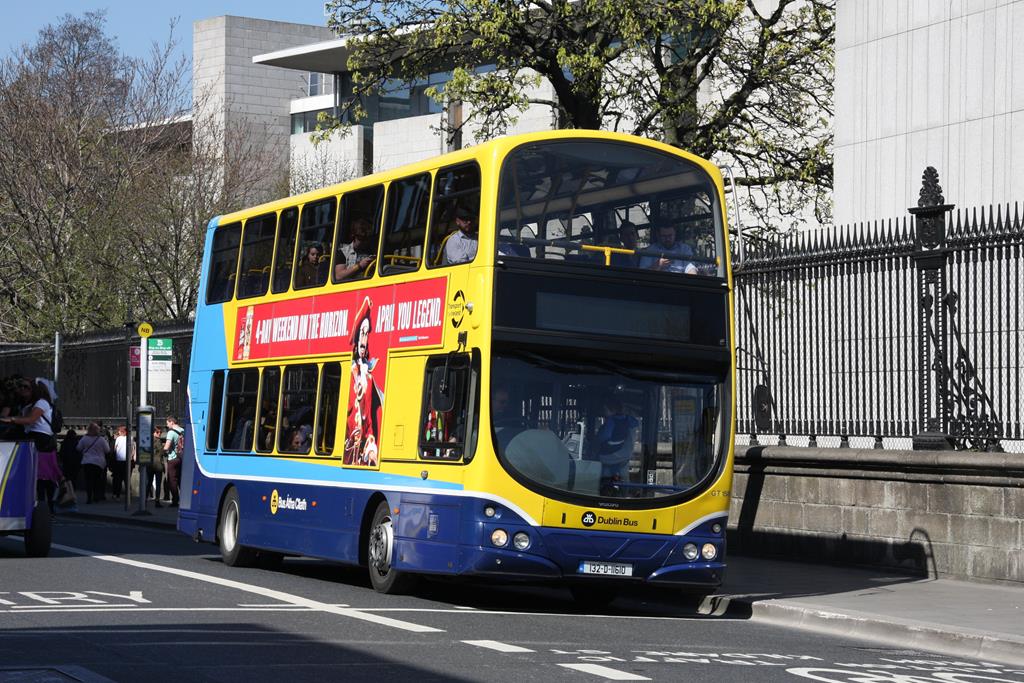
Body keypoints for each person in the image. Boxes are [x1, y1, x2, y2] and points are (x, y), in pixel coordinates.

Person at [0, 379, 63, 510]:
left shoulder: (41, 403)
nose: (22, 389)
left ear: (33, 389)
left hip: (41, 439)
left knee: (42, 475)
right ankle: (39, 504)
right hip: (31, 437)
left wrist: (12, 419)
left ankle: (45, 505)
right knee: (35, 474)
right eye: (20, 387)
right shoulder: (26, 404)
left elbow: (30, 419)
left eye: (26, 387)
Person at [344, 296, 383, 466]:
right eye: (362, 332)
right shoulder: (347, 373)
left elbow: (370, 425)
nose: (364, 339)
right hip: (347, 449)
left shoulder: (368, 378)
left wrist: (371, 446)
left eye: (367, 334)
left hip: (360, 457)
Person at [592, 397, 639, 485]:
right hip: (621, 453)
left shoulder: (611, 421)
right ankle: (621, 486)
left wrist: (597, 440)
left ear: (612, 410)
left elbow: (604, 436)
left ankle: (601, 484)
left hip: (607, 453)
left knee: (596, 461)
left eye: (605, 410)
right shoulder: (627, 419)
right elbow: (635, 423)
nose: (604, 413)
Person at [77, 422, 111, 504]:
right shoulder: (101, 439)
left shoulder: (84, 438)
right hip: (98, 463)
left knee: (88, 480)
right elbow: (107, 450)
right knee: (97, 480)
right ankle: (96, 497)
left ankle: (89, 497)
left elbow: (78, 448)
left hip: (87, 462)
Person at [163, 417, 184, 507]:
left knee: (172, 480)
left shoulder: (171, 432)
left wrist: (163, 450)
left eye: (167, 423)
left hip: (172, 459)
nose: (167, 425)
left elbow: (166, 447)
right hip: (181, 458)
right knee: (180, 479)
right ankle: (184, 499)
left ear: (172, 422)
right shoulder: (183, 430)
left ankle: (175, 500)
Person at [58, 427, 81, 492]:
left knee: (67, 477)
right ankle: (73, 489)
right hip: (75, 463)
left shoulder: (64, 443)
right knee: (74, 477)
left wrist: (62, 460)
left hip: (66, 463)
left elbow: (61, 453)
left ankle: (67, 490)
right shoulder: (77, 443)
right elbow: (79, 453)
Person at [111, 426, 129, 499]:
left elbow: (115, 449)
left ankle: (117, 495)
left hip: (119, 461)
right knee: (126, 479)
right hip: (127, 461)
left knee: (118, 479)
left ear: (121, 432)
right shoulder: (130, 438)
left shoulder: (118, 438)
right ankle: (128, 495)